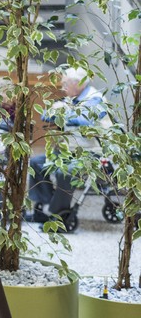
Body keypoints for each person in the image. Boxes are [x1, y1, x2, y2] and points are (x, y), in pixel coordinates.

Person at [28, 67, 111, 224]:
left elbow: (86, 120)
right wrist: (58, 112)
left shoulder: (95, 98)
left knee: (65, 171)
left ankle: (58, 212)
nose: (62, 87)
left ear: (78, 83)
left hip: (91, 154)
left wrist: (62, 113)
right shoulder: (70, 99)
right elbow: (45, 115)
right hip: (67, 152)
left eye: (65, 83)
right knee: (36, 163)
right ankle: (47, 205)